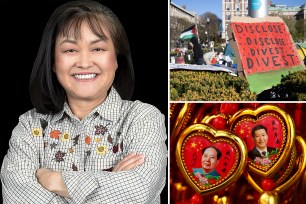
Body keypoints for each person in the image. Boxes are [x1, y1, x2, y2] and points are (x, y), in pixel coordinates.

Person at [0, 1, 167, 203]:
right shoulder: (30, 126)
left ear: (116, 58)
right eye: (70, 50)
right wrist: (111, 182)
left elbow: (138, 192)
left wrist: (57, 181)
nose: (85, 62)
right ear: (53, 61)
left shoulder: (142, 118)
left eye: (97, 48)